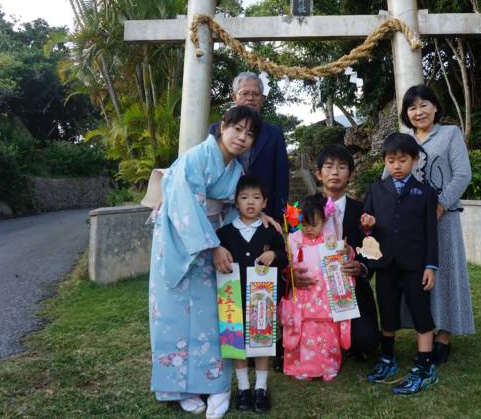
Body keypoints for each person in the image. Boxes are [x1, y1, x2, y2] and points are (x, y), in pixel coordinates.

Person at [148, 106, 261, 419]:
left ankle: (213, 383)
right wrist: (212, 247)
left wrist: (257, 218)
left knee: (210, 314)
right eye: (237, 129)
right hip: (176, 236)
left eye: (250, 133)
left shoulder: (235, 170)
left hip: (210, 238)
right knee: (171, 313)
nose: (242, 137)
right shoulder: (198, 157)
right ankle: (177, 388)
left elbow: (235, 207)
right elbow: (182, 202)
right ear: (222, 126)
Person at [399, 84, 475, 364]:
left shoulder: (450, 134)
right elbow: (389, 176)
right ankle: (424, 333)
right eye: (412, 107)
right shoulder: (403, 140)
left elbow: (462, 174)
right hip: (411, 224)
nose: (418, 112)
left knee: (445, 276)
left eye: (424, 105)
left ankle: (444, 335)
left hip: (444, 219)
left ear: (435, 107)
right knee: (418, 278)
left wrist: (439, 205)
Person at [361, 133, 439, 395]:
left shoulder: (426, 192)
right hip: (385, 266)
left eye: (403, 160)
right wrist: (368, 226)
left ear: (414, 161)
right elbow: (366, 228)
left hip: (416, 266)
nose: (396, 166)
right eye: (391, 160)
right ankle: (387, 359)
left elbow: (431, 232)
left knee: (421, 312)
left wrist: (431, 266)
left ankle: (425, 366)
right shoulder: (375, 190)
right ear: (384, 161)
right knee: (388, 312)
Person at [215, 175, 287, 414]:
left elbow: (283, 254)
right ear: (236, 202)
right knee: (237, 343)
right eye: (244, 197)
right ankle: (243, 388)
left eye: (256, 198)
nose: (250, 202)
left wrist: (274, 255)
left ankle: (261, 388)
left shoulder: (270, 232)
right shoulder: (224, 234)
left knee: (262, 343)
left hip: (261, 301)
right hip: (234, 300)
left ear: (264, 202)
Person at [311, 145, 380, 358]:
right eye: (329, 167)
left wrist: (361, 267)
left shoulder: (363, 211)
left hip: (351, 288)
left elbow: (372, 250)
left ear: (350, 174)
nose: (334, 172)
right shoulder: (305, 210)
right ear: (318, 174)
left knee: (365, 343)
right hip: (314, 290)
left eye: (341, 167)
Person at [283, 193, 351, 381]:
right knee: (304, 330)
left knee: (326, 330)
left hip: (325, 292)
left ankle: (328, 365)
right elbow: (288, 264)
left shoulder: (330, 239)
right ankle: (304, 366)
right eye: (305, 224)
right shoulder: (294, 238)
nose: (309, 229)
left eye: (315, 224)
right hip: (304, 292)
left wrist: (345, 251)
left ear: (324, 220)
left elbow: (342, 261)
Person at [210, 72, 289, 221]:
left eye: (256, 94)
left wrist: (279, 215)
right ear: (234, 98)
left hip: (263, 213)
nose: (250, 98)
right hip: (222, 211)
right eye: (245, 93)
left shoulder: (274, 133)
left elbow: (281, 179)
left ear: (263, 99)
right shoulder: (216, 129)